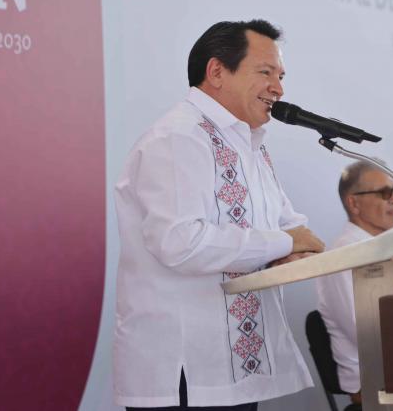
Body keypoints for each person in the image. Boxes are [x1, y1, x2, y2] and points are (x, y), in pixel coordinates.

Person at [114, 20, 325, 410]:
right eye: (265, 72)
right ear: (216, 72)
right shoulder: (179, 137)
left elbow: (290, 224)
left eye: (280, 75)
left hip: (232, 372)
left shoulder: (250, 143)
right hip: (186, 372)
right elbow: (180, 243)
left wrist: (292, 243)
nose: (278, 88)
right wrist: (282, 244)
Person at [317, 161, 393, 408]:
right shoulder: (345, 255)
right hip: (376, 388)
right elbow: (365, 333)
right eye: (385, 193)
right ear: (354, 203)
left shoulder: (389, 243)